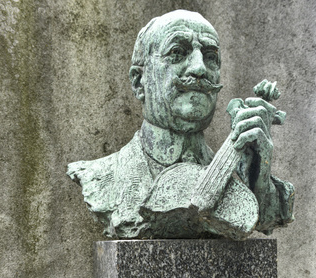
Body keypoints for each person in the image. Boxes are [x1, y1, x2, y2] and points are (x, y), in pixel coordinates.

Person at [67, 10, 294, 239]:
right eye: (177, 52)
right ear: (139, 82)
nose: (199, 68)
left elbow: (264, 217)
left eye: (210, 56)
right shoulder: (101, 177)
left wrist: (258, 174)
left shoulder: (238, 180)